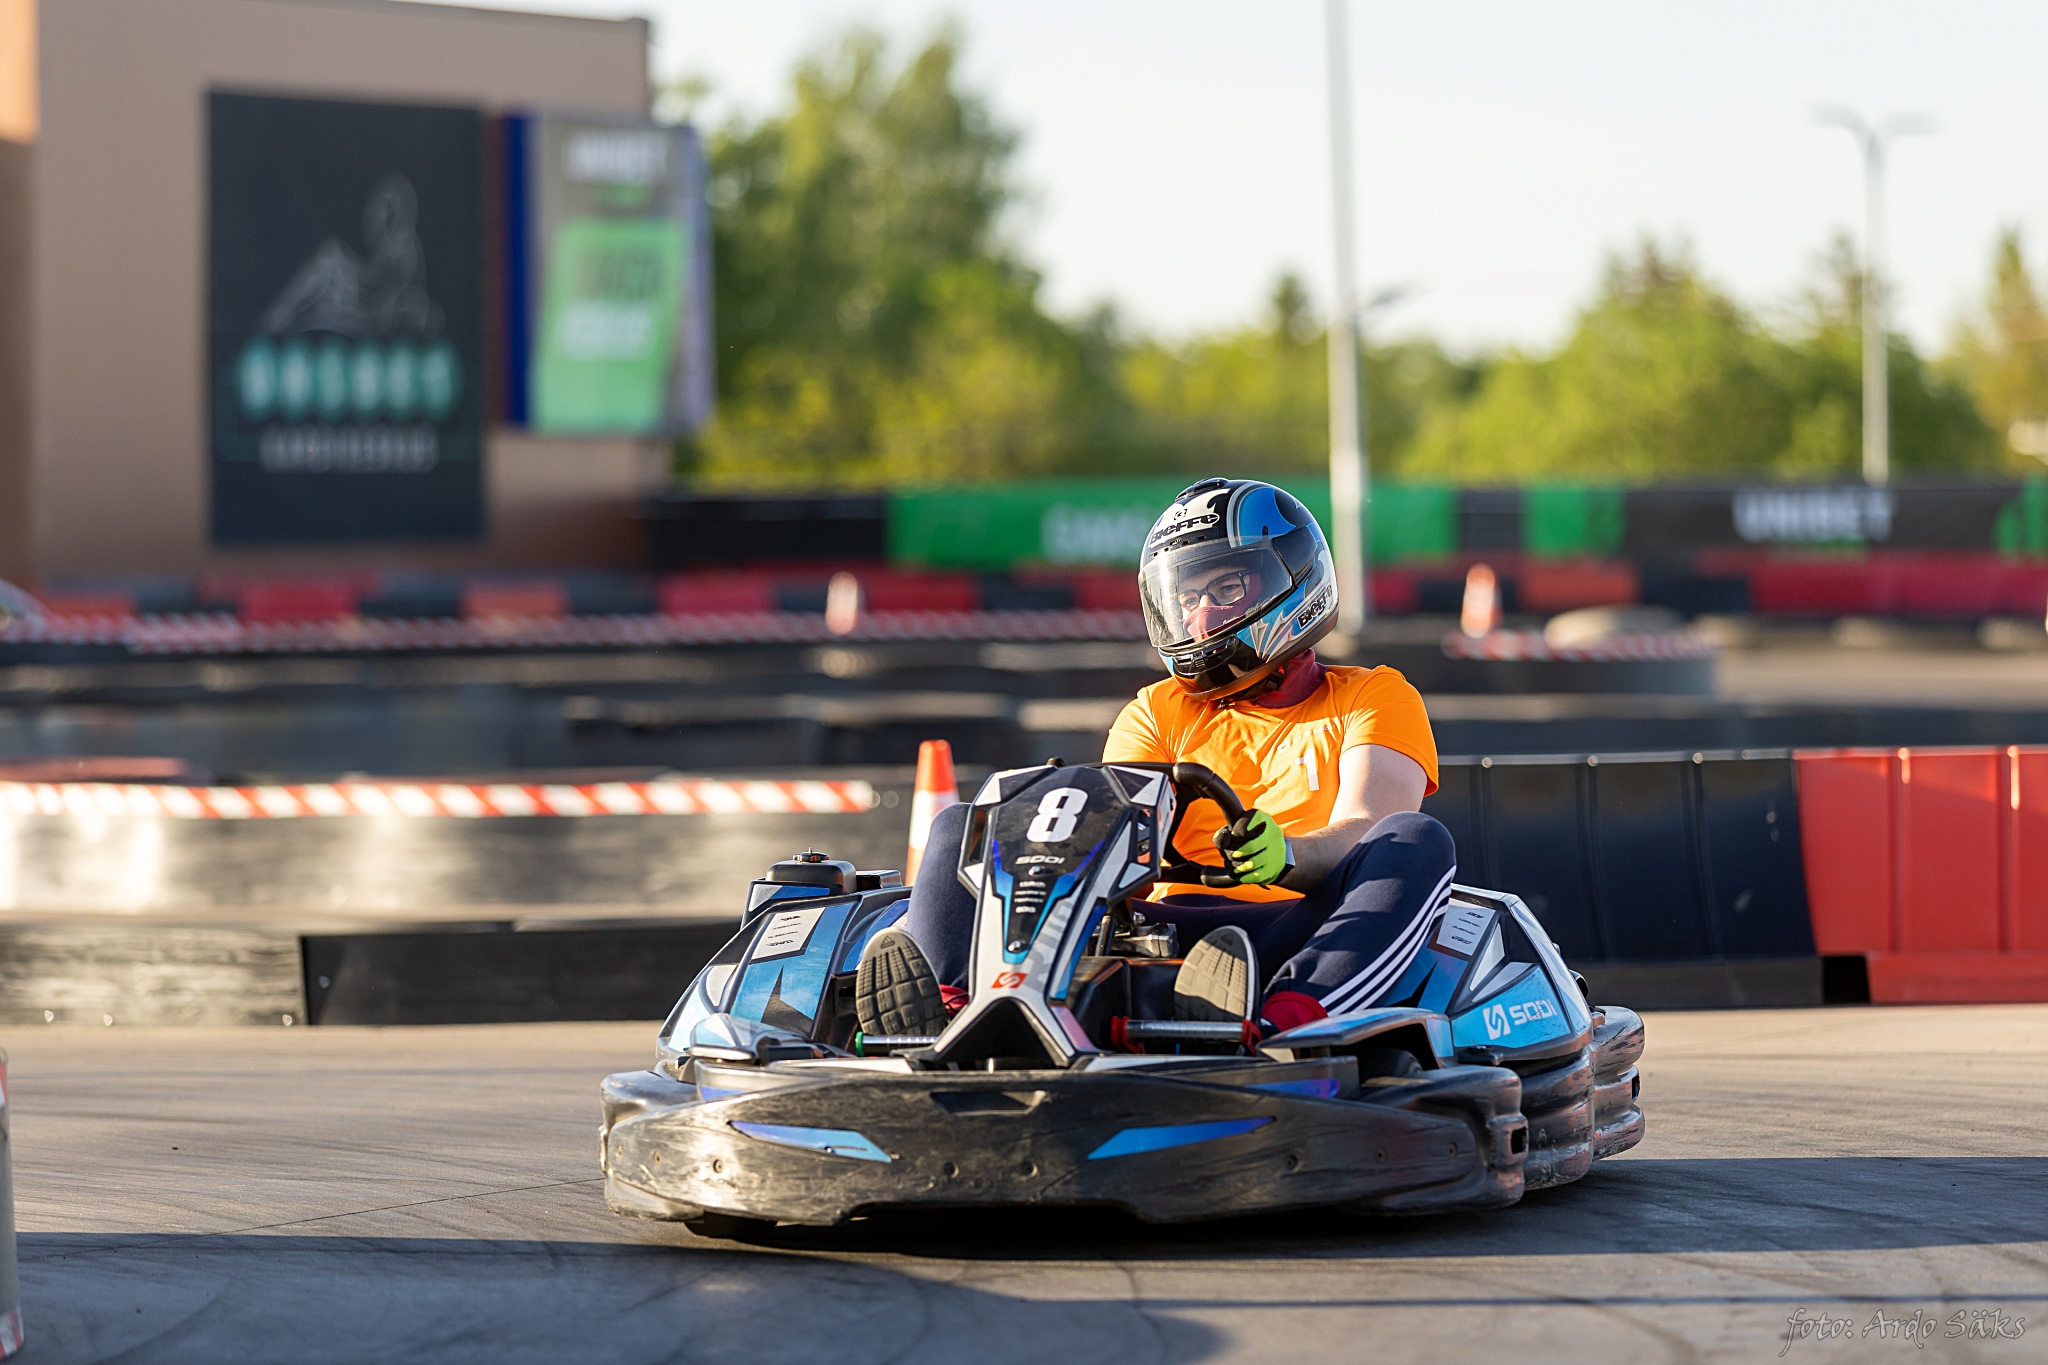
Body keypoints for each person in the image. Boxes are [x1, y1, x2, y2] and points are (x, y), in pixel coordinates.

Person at [855, 477, 1455, 1041]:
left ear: (1293, 582)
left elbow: (1368, 824)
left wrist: (1287, 855)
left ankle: (1285, 1025)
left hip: (1295, 931)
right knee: (962, 825)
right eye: (1188, 597)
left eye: (1226, 590)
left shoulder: (1372, 696)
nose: (1200, 616)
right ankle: (956, 1010)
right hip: (1149, 935)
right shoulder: (1155, 711)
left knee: (1415, 840)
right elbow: (1110, 835)